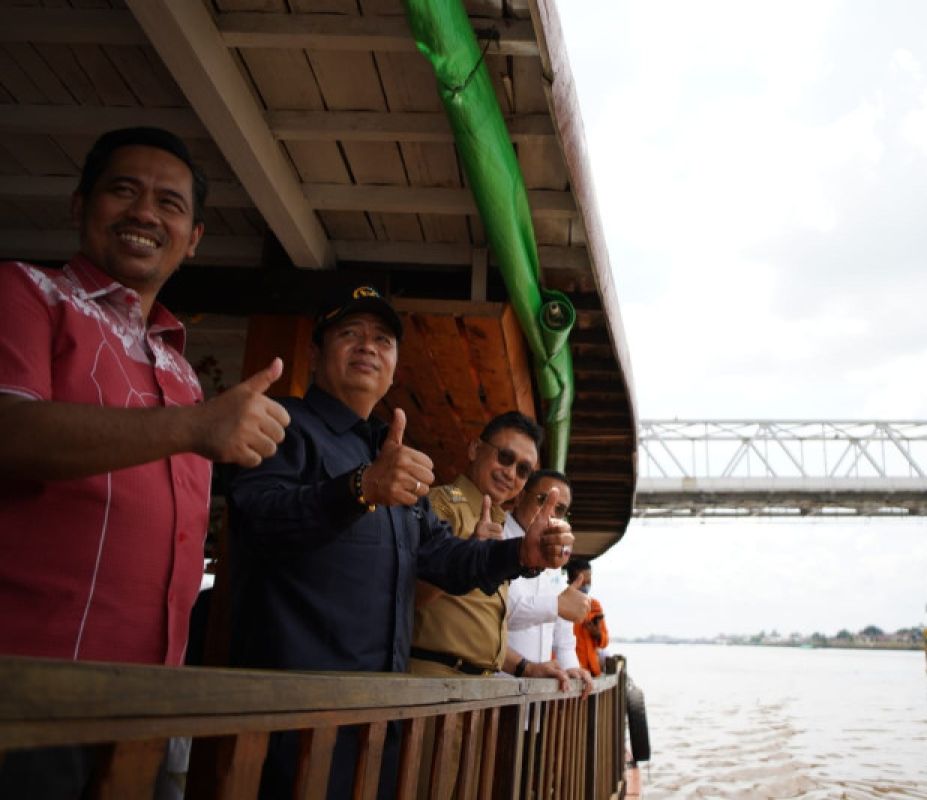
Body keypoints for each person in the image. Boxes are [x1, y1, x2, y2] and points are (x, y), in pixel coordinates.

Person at [0, 126, 290, 797]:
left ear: (192, 239)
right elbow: (8, 430)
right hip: (29, 696)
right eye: (123, 190)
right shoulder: (25, 293)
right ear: (79, 206)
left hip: (147, 709)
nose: (144, 213)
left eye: (170, 204)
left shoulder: (182, 369)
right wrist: (197, 426)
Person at [226, 287, 573, 798]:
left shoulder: (390, 454)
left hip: (377, 720)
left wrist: (519, 555)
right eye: (350, 334)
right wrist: (358, 489)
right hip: (292, 717)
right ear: (318, 354)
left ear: (393, 368)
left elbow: (443, 559)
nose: (368, 346)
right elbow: (256, 519)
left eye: (383, 340)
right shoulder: (284, 424)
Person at [409, 411, 548, 679]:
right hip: (433, 683)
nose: (510, 473)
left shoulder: (499, 526)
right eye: (505, 458)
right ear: (475, 449)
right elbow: (407, 595)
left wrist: (526, 668)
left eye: (523, 470)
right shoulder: (441, 505)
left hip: (476, 691)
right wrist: (468, 554)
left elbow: (476, 624)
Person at [505, 469, 594, 694]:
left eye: (560, 509)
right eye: (543, 500)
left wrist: (571, 666)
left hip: (535, 700)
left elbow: (563, 634)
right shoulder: (496, 535)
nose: (550, 512)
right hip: (494, 691)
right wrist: (556, 605)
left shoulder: (553, 554)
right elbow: (498, 611)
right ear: (521, 496)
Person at [568, 559, 610, 677]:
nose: (586, 585)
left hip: (592, 672)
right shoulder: (562, 605)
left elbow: (605, 642)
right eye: (582, 581)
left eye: (589, 581)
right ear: (570, 581)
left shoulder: (595, 606)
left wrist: (597, 633)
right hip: (572, 672)